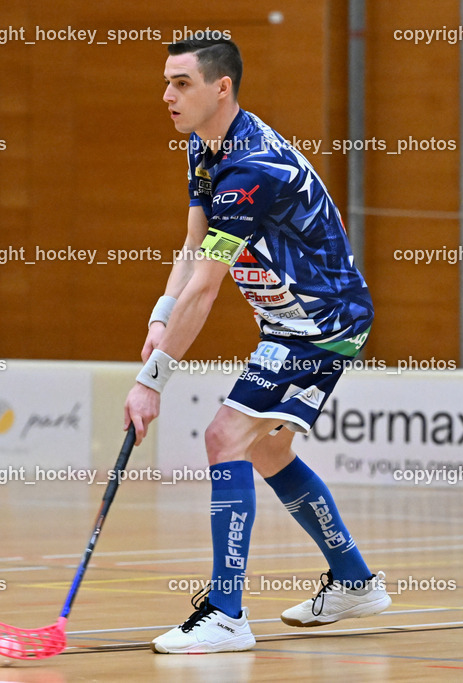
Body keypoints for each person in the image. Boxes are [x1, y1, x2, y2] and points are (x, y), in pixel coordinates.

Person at [123, 34, 390, 655]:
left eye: (182, 83)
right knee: (266, 451)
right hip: (287, 322)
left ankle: (226, 612)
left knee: (224, 436)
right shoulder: (204, 147)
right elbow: (192, 248)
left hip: (323, 324)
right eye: (165, 82)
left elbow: (208, 286)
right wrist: (161, 316)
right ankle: (354, 580)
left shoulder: (251, 170)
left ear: (222, 88)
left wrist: (152, 381)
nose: (168, 95)